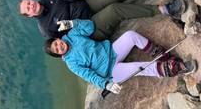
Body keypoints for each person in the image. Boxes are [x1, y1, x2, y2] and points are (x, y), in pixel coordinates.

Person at [44, 20, 197, 94]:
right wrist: (106, 85)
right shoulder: (71, 63)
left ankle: (162, 56)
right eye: (56, 50)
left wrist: (72, 23)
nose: (59, 47)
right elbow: (89, 75)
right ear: (59, 54)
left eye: (56, 44)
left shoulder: (72, 34)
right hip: (111, 71)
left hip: (111, 51)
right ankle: (175, 68)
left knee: (130, 35)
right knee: (138, 68)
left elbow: (89, 26)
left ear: (58, 39)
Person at [17, 0, 185, 40]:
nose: (31, 5)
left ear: (31, 0)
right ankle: (164, 10)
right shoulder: (46, 29)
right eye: (28, 9)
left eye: (29, 2)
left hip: (85, 6)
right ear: (29, 15)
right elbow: (68, 42)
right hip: (89, 27)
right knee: (115, 9)